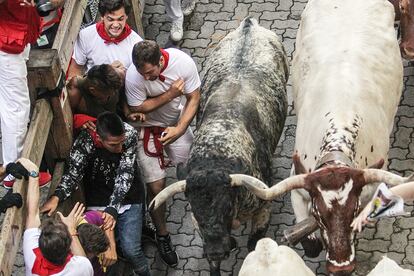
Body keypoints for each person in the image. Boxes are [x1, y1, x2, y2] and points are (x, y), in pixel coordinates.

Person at [41, 112, 150, 276]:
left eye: (121, 143)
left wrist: (112, 210)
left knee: (131, 250)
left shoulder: (130, 134)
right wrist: (57, 197)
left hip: (129, 197)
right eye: (114, 145)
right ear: (98, 138)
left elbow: (125, 174)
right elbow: (73, 173)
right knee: (102, 252)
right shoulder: (85, 142)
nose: (120, 148)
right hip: (98, 198)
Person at [125, 40, 201, 267]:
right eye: (142, 73)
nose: (145, 78)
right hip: (146, 130)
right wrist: (169, 95)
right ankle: (163, 234)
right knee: (156, 187)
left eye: (150, 73)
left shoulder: (183, 63)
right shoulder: (133, 75)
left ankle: (201, 212)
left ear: (160, 60)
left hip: (175, 123)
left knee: (192, 169)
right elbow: (138, 107)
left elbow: (194, 97)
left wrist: (180, 129)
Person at [0, 0, 62, 188]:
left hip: (20, 33)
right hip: (6, 42)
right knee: (17, 108)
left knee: (10, 104)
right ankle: (15, 171)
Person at [20, 157, 93, 275]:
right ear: (68, 247)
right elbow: (82, 258)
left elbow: (32, 214)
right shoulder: (81, 267)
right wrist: (71, 229)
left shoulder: (32, 258)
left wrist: (34, 174)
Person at [68, 0, 143, 78]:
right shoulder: (85, 35)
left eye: (120, 19)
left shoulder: (136, 44)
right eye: (111, 19)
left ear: (126, 17)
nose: (116, 25)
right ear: (102, 17)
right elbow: (76, 68)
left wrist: (124, 75)